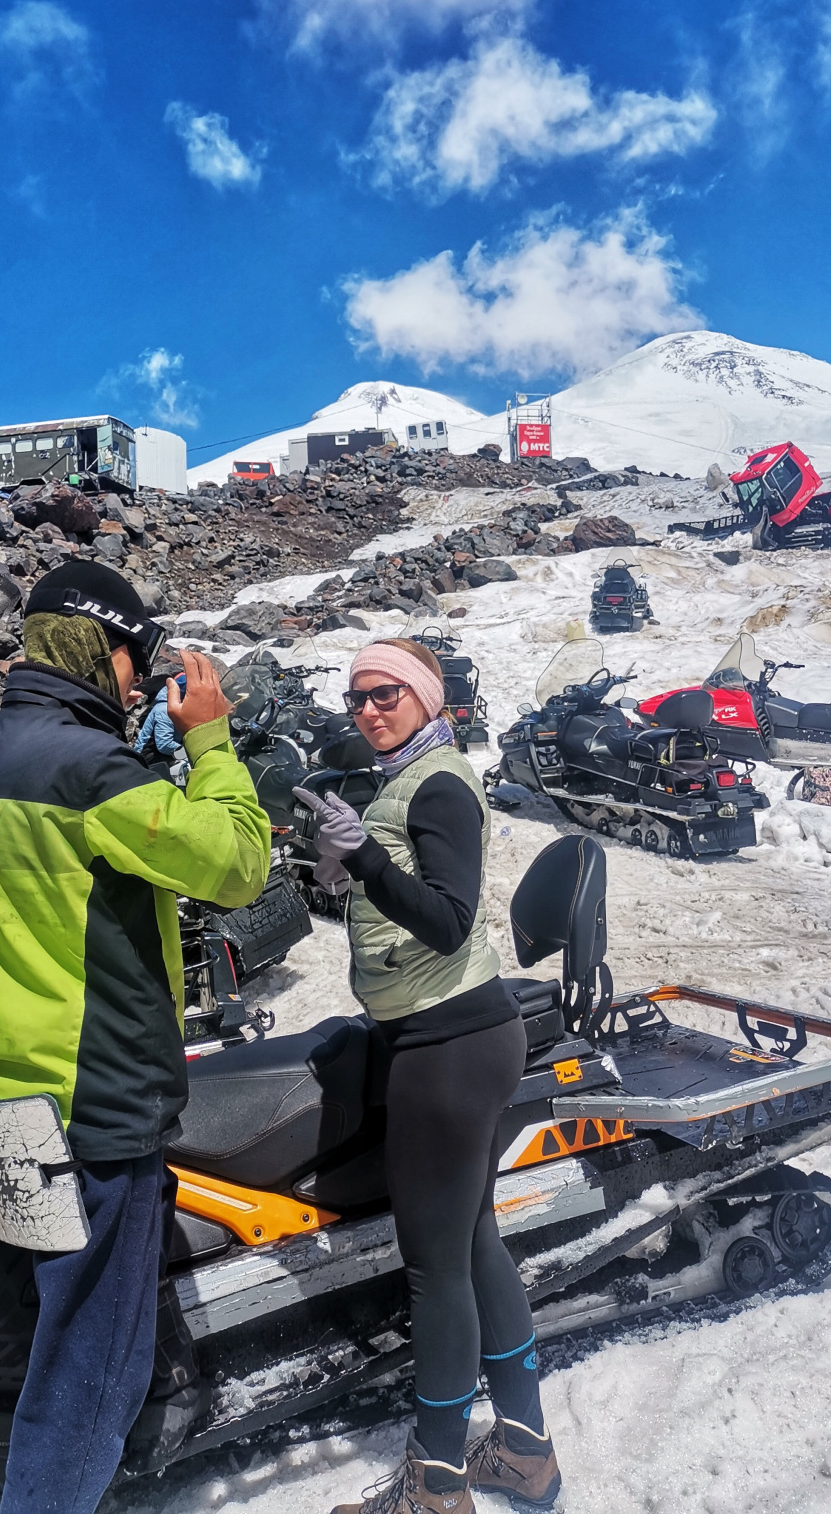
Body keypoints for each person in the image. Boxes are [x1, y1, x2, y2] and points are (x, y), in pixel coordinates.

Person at [0, 561, 270, 1514]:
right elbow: (237, 864)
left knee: (44, 1318)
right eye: (133, 658)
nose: (135, 681)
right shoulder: (89, 771)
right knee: (90, 1368)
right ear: (98, 646)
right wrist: (211, 740)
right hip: (91, 1114)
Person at [295, 639, 560, 1514]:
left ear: (423, 698)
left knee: (435, 1270)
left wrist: (365, 862)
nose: (368, 710)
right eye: (355, 700)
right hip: (460, 1036)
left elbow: (447, 920)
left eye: (385, 695)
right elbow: (405, 900)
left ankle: (435, 1481)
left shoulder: (438, 783)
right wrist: (342, 875)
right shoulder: (408, 780)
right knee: (473, 1245)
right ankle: (522, 1451)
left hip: (443, 1049)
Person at [135, 669, 186, 762]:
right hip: (148, 757)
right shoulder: (165, 710)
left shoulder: (170, 706)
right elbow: (164, 744)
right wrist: (189, 752)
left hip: (159, 756)